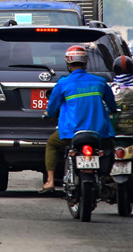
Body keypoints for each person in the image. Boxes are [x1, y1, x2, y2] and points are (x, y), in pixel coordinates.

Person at [41, 45, 117, 192]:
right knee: (109, 146)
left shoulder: (63, 83)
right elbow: (112, 106)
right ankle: (106, 176)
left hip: (71, 133)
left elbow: (52, 108)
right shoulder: (100, 82)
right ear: (85, 62)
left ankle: (50, 181)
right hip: (99, 133)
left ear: (68, 64)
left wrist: (48, 114)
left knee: (51, 144)